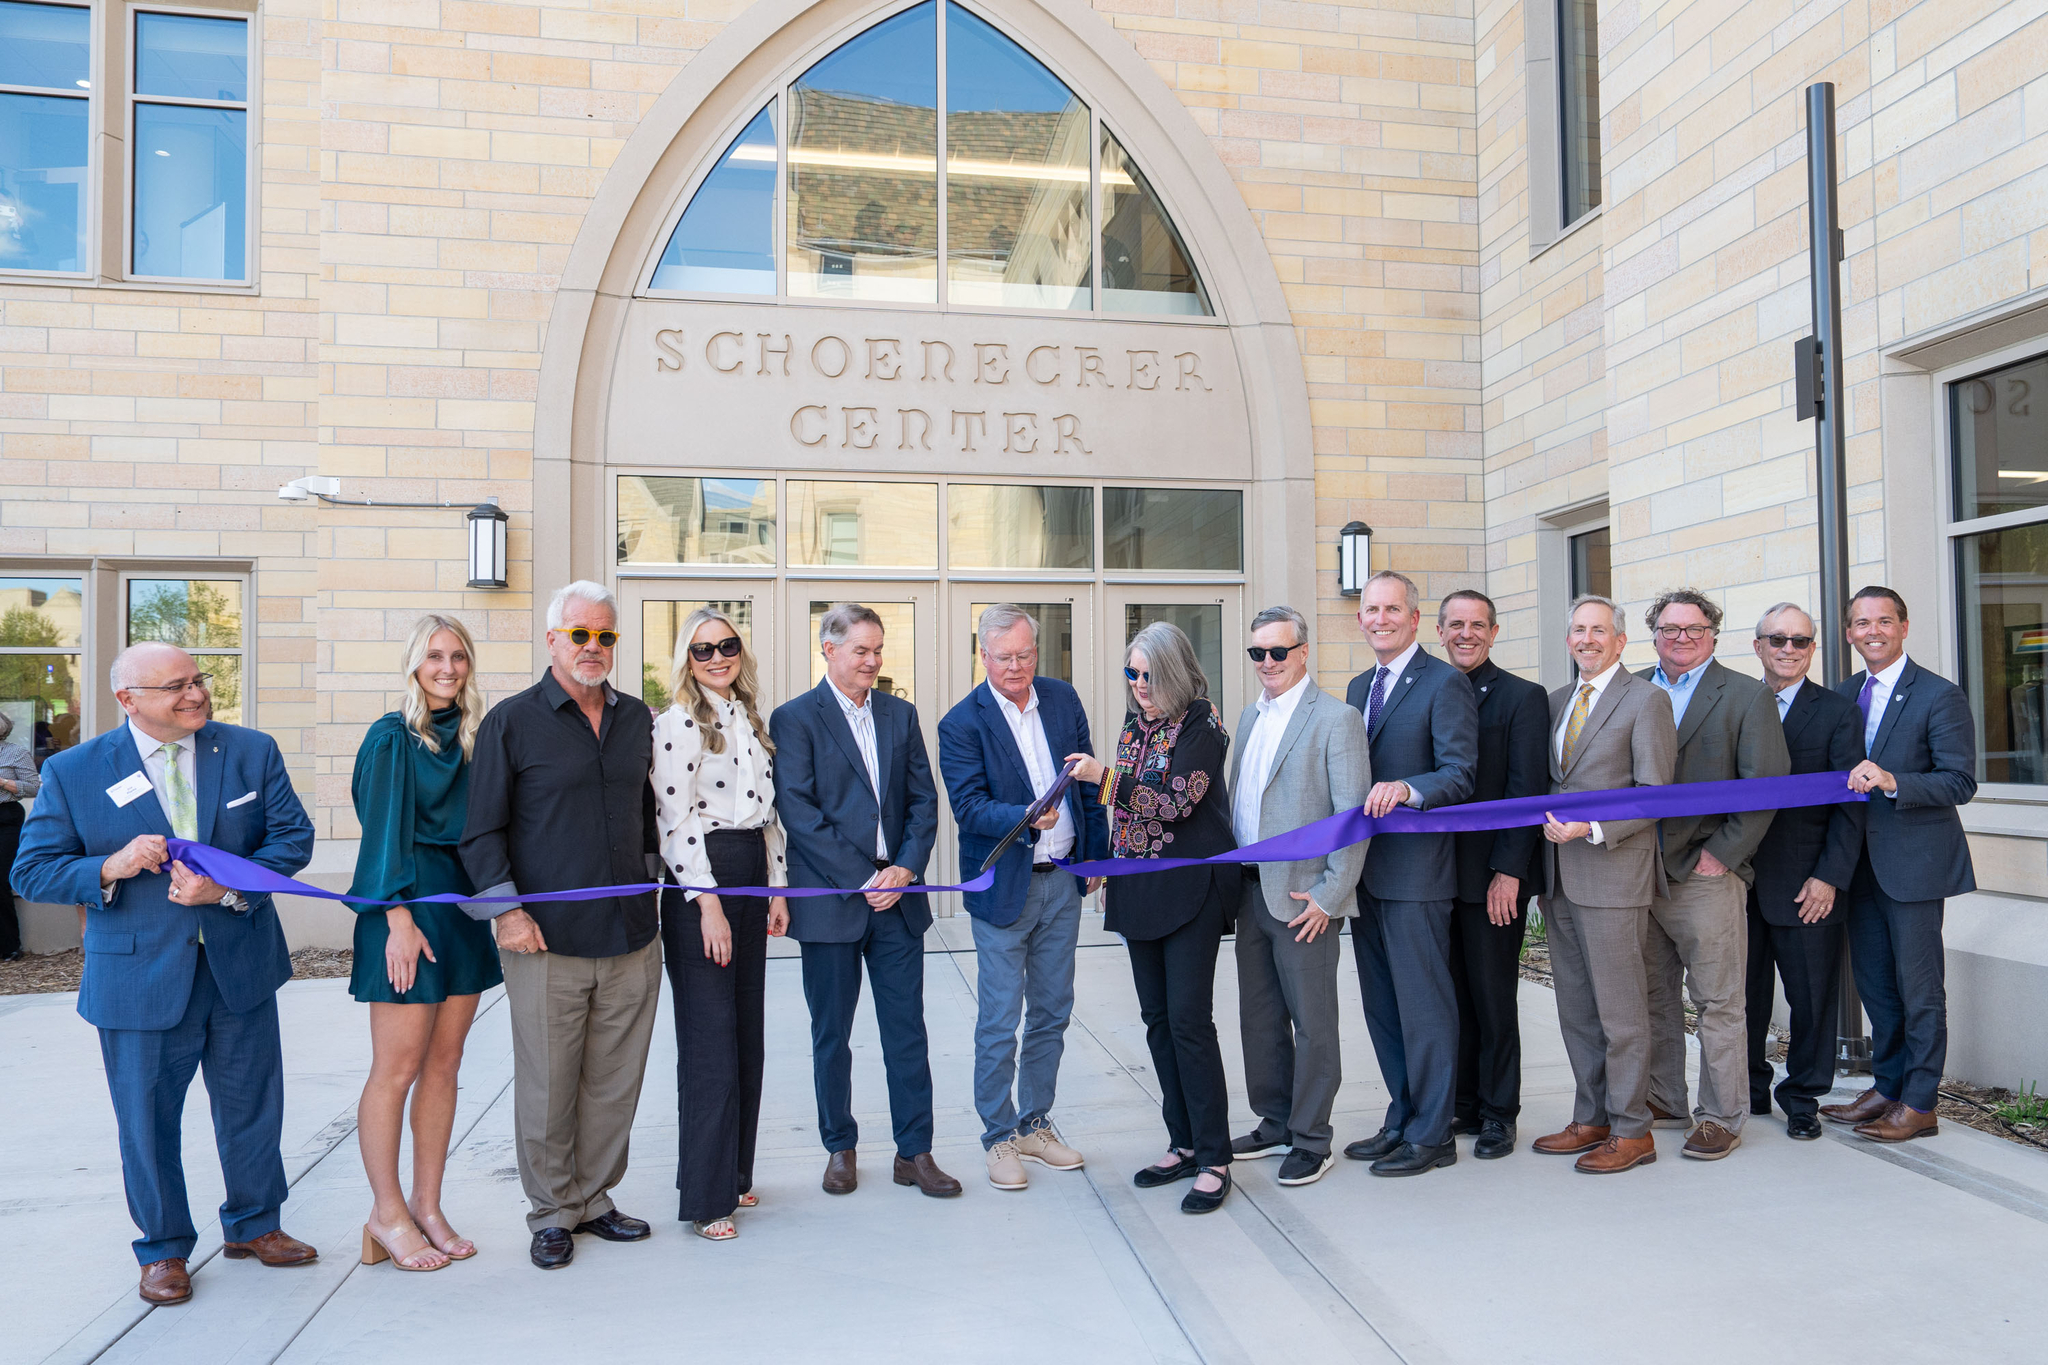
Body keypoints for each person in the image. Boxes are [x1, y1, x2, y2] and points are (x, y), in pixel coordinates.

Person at [11, 643, 318, 1304]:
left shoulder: (249, 750)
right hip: (138, 979)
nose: (196, 695)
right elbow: (30, 870)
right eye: (175, 686)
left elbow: (292, 839)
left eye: (198, 680)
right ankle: (163, 1247)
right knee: (147, 1122)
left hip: (239, 964)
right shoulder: (74, 770)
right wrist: (110, 865)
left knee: (253, 1108)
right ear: (129, 700)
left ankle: (255, 1223)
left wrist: (227, 887)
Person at [458, 580, 663, 1270]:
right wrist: (507, 913)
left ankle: (594, 1198)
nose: (594, 647)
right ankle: (550, 1210)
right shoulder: (512, 722)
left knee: (614, 1079)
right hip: (545, 940)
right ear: (552, 640)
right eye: (580, 634)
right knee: (548, 1082)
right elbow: (480, 832)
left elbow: (647, 818)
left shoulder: (638, 719)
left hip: (632, 935)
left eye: (605, 635)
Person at [771, 604, 958, 1199]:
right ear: (828, 649)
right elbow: (798, 812)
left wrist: (903, 869)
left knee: (906, 1031)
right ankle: (839, 1148)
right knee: (832, 1033)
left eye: (879, 651)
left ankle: (916, 1153)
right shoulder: (795, 719)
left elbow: (925, 802)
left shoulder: (900, 716)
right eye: (862, 651)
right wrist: (862, 877)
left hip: (897, 900)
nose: (873, 662)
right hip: (832, 903)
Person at [1066, 622, 1241, 1214]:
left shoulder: (1202, 722)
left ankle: (1216, 1155)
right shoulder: (1134, 724)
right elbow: (1131, 814)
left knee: (1190, 1021)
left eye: (1148, 673)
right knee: (1157, 1020)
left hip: (1191, 888)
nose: (1139, 684)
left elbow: (1175, 802)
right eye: (1131, 673)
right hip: (1139, 887)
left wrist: (1103, 778)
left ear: (1174, 669)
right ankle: (1183, 1140)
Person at [347, 615, 501, 1272]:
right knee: (397, 1067)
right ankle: (386, 1213)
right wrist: (397, 917)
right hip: (404, 906)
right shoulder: (391, 738)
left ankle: (427, 1204)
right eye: (435, 656)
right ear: (414, 664)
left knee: (445, 1064)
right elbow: (380, 831)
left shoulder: (470, 738)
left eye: (458, 656)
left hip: (460, 909)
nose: (447, 667)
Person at [937, 604, 1109, 1192]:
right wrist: (1028, 816)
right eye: (1005, 657)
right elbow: (970, 808)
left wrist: (1094, 859)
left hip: (1062, 880)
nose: (1017, 666)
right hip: (1004, 892)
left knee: (1053, 1011)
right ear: (983, 656)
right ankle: (998, 1135)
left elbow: (1087, 787)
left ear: (1038, 651)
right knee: (1000, 1017)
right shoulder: (962, 723)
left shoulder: (1062, 700)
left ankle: (1036, 1123)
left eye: (1026, 654)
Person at [651, 608, 790, 1240]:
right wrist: (706, 902)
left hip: (750, 872)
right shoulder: (677, 723)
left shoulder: (750, 718)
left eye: (726, 646)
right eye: (702, 650)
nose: (716, 658)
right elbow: (673, 821)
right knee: (710, 1041)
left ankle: (734, 1173)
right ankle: (706, 1199)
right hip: (700, 879)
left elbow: (769, 816)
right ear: (687, 658)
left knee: (745, 1033)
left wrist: (776, 889)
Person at [1637, 589, 1788, 1161]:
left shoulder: (1747, 695)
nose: (1681, 638)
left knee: (1718, 1000)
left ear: (1713, 635)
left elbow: (1765, 784)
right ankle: (1663, 1098)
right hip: (1637, 869)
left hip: (1704, 871)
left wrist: (1723, 854)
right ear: (1653, 634)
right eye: (1670, 629)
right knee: (1652, 996)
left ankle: (1721, 1114)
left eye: (1694, 629)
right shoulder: (1631, 687)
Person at [1821, 587, 1976, 1143]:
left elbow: (1960, 781)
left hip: (1913, 866)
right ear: (1849, 634)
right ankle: (1887, 1086)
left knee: (1919, 988)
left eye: (1884, 621)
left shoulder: (1939, 694)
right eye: (1861, 623)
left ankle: (1919, 1102)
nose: (1873, 631)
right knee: (1877, 987)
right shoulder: (1843, 695)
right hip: (1856, 867)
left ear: (1904, 627)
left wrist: (1892, 780)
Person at [1224, 605, 1369, 1187]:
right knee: (1258, 1019)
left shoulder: (1337, 719)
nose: (1266, 663)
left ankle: (1312, 1137)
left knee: (1312, 1023)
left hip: (1306, 899)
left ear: (1302, 653)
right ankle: (1275, 1119)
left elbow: (1352, 817)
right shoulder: (1248, 717)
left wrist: (1331, 895)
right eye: (1257, 652)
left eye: (1277, 652)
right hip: (1249, 892)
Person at [1532, 595, 1677, 1174]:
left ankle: (1632, 1130)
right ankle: (1591, 1117)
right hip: (1561, 880)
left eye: (1599, 630)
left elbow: (1655, 793)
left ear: (1620, 641)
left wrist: (1591, 826)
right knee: (1577, 1011)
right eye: (1577, 630)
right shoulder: (1557, 701)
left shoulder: (1647, 700)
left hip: (1614, 873)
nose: (1587, 639)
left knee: (1621, 1014)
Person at [1342, 570, 1477, 1177]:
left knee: (1424, 1005)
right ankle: (1401, 1117)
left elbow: (1459, 773)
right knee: (1383, 1006)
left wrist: (1407, 788)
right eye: (1372, 610)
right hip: (1365, 875)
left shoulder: (1444, 683)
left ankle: (1433, 1133)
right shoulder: (1355, 687)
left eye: (1392, 610)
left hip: (1419, 875)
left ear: (1415, 619)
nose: (1380, 619)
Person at [1436, 589, 1549, 1159]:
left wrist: (1509, 871)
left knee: (1493, 997)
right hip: (1432, 877)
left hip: (1490, 880)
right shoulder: (1429, 689)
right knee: (1451, 997)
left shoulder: (1521, 698)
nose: (1466, 634)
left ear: (1494, 632)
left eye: (1478, 625)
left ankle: (1500, 1113)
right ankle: (1465, 1101)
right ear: (1439, 631)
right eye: (1456, 624)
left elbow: (1526, 791)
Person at [1747, 604, 1866, 1141]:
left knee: (1812, 1000)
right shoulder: (1738, 703)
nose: (1788, 650)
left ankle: (1802, 1099)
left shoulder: (1838, 712)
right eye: (1778, 640)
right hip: (1737, 878)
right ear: (1759, 646)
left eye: (1800, 642)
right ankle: (1746, 1092)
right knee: (1738, 997)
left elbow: (1850, 805)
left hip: (1807, 885)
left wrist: (1830, 877)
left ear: (1813, 649)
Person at [0, 711, 40, 961]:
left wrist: (3, 782)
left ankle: (8, 946)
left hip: (5, 817)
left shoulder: (15, 753)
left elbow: (34, 787)